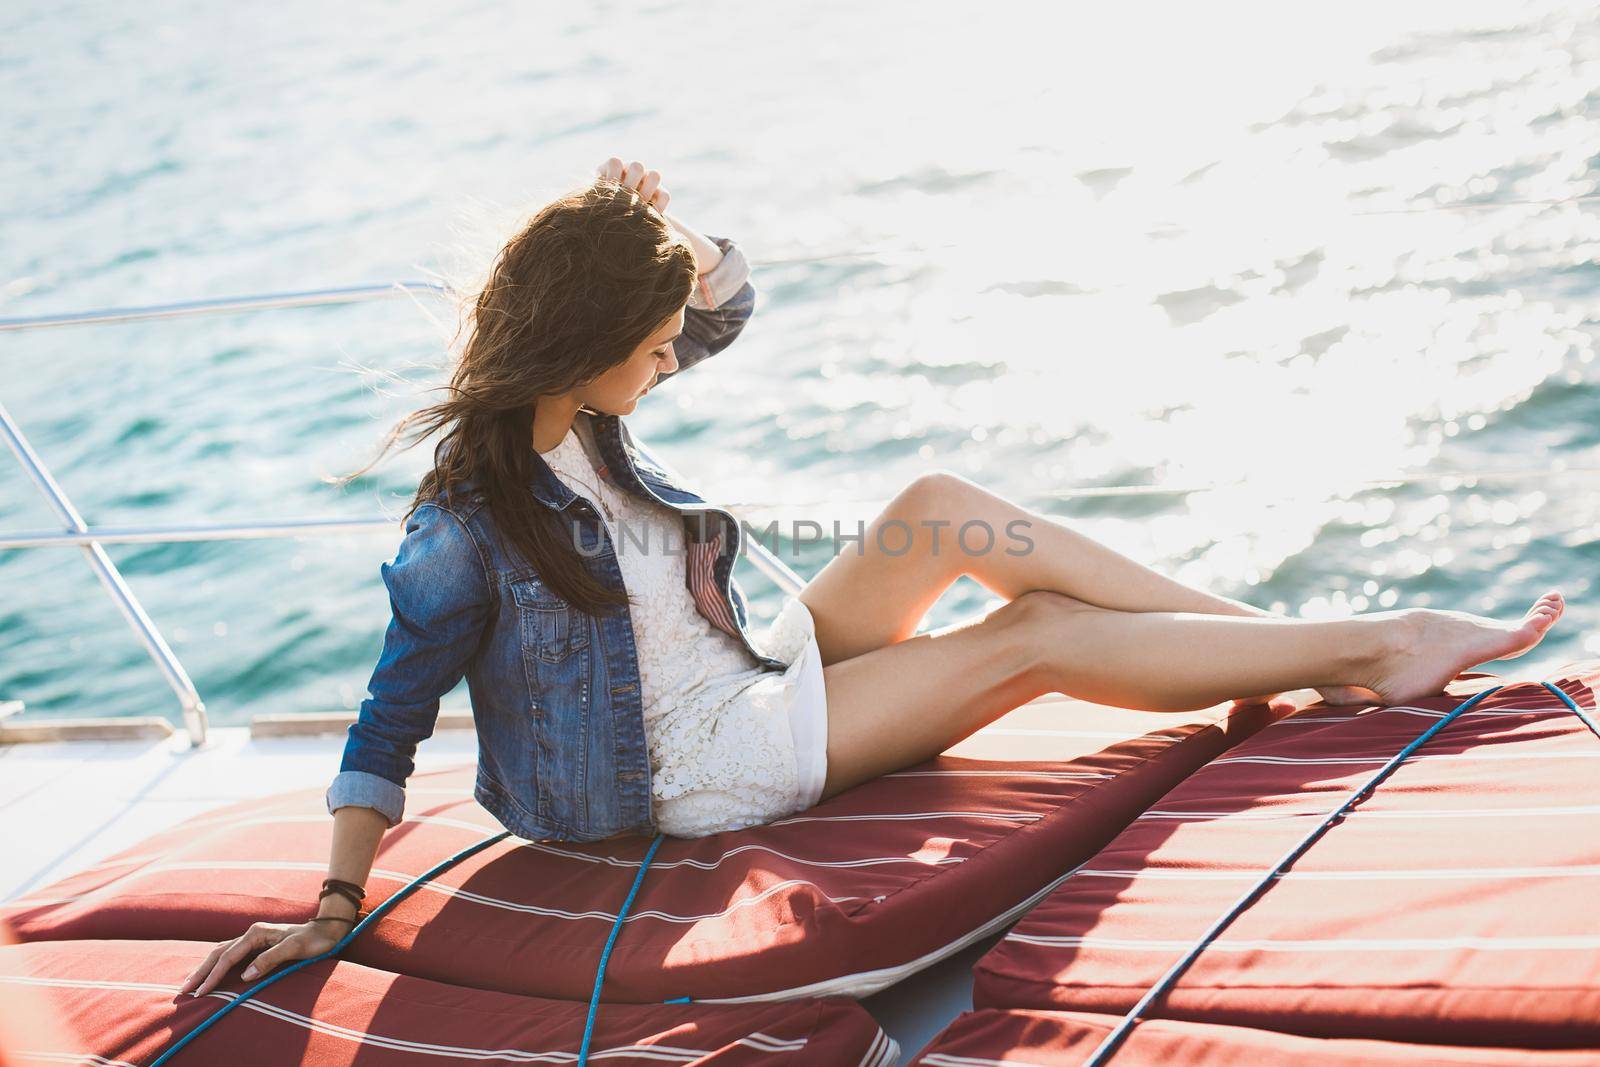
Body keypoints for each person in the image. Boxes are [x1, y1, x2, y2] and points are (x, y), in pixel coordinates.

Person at [180, 156, 1567, 997]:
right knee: (1028, 638)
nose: (673, 362)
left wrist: (647, 222)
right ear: (590, 337)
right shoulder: (470, 524)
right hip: (696, 767)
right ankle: (1372, 648)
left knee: (941, 509)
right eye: (655, 346)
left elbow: (722, 304)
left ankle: (1293, 640)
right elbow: (388, 718)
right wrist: (332, 908)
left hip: (745, 666)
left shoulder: (585, 410)